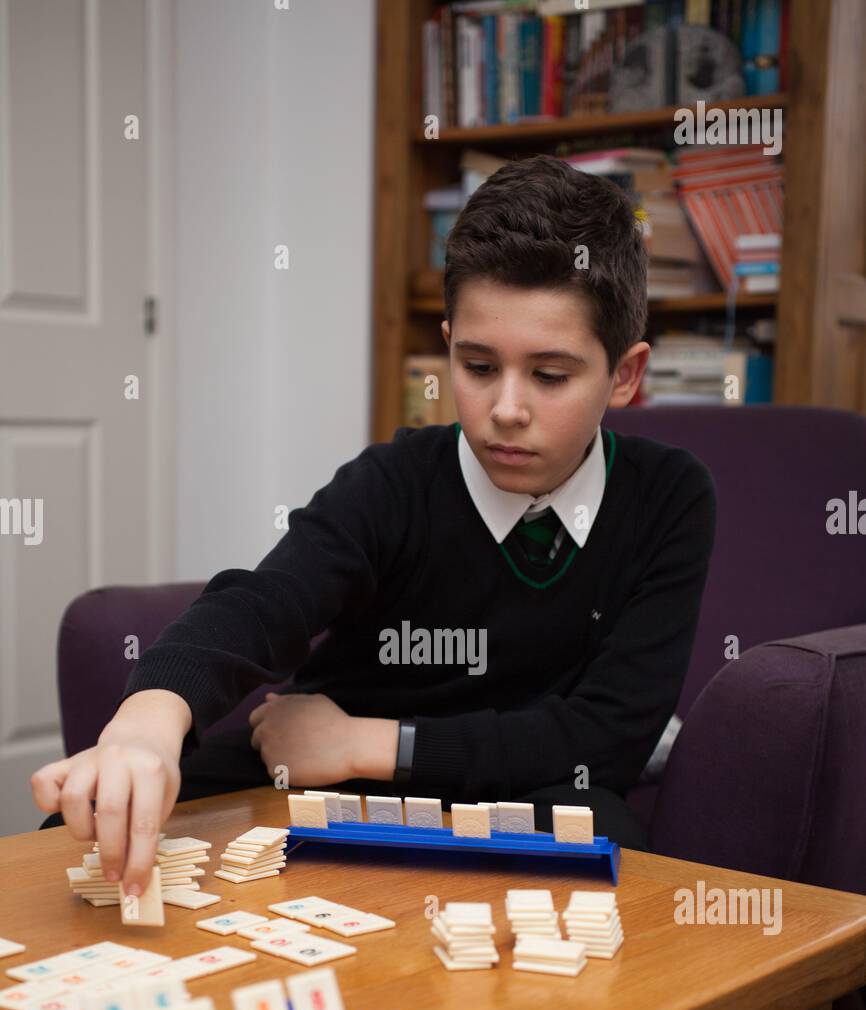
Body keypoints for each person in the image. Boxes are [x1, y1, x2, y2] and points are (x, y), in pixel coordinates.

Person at [32, 154, 716, 894]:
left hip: (517, 783)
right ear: (449, 343)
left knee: (607, 836)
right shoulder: (395, 481)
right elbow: (266, 602)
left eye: (550, 376)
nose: (507, 409)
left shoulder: (668, 497)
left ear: (625, 374)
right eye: (478, 366)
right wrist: (148, 721)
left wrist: (369, 745)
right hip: (322, 783)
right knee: (81, 835)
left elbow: (605, 740)